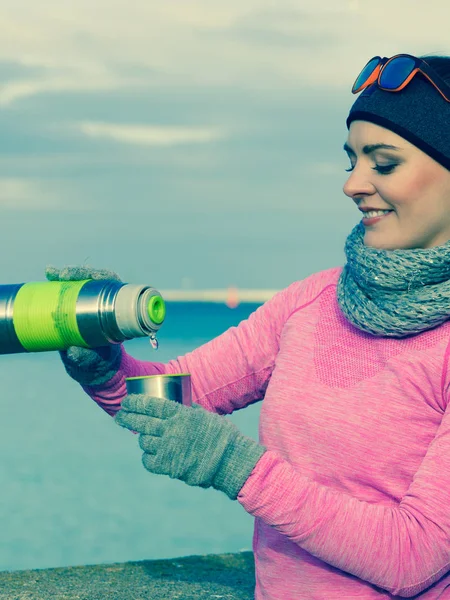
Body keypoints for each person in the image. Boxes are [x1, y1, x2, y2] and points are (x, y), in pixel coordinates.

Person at [48, 53, 450, 599]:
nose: (353, 184)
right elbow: (168, 399)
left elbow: (414, 556)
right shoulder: (312, 302)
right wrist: (103, 362)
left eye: (382, 164)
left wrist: (239, 468)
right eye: (350, 160)